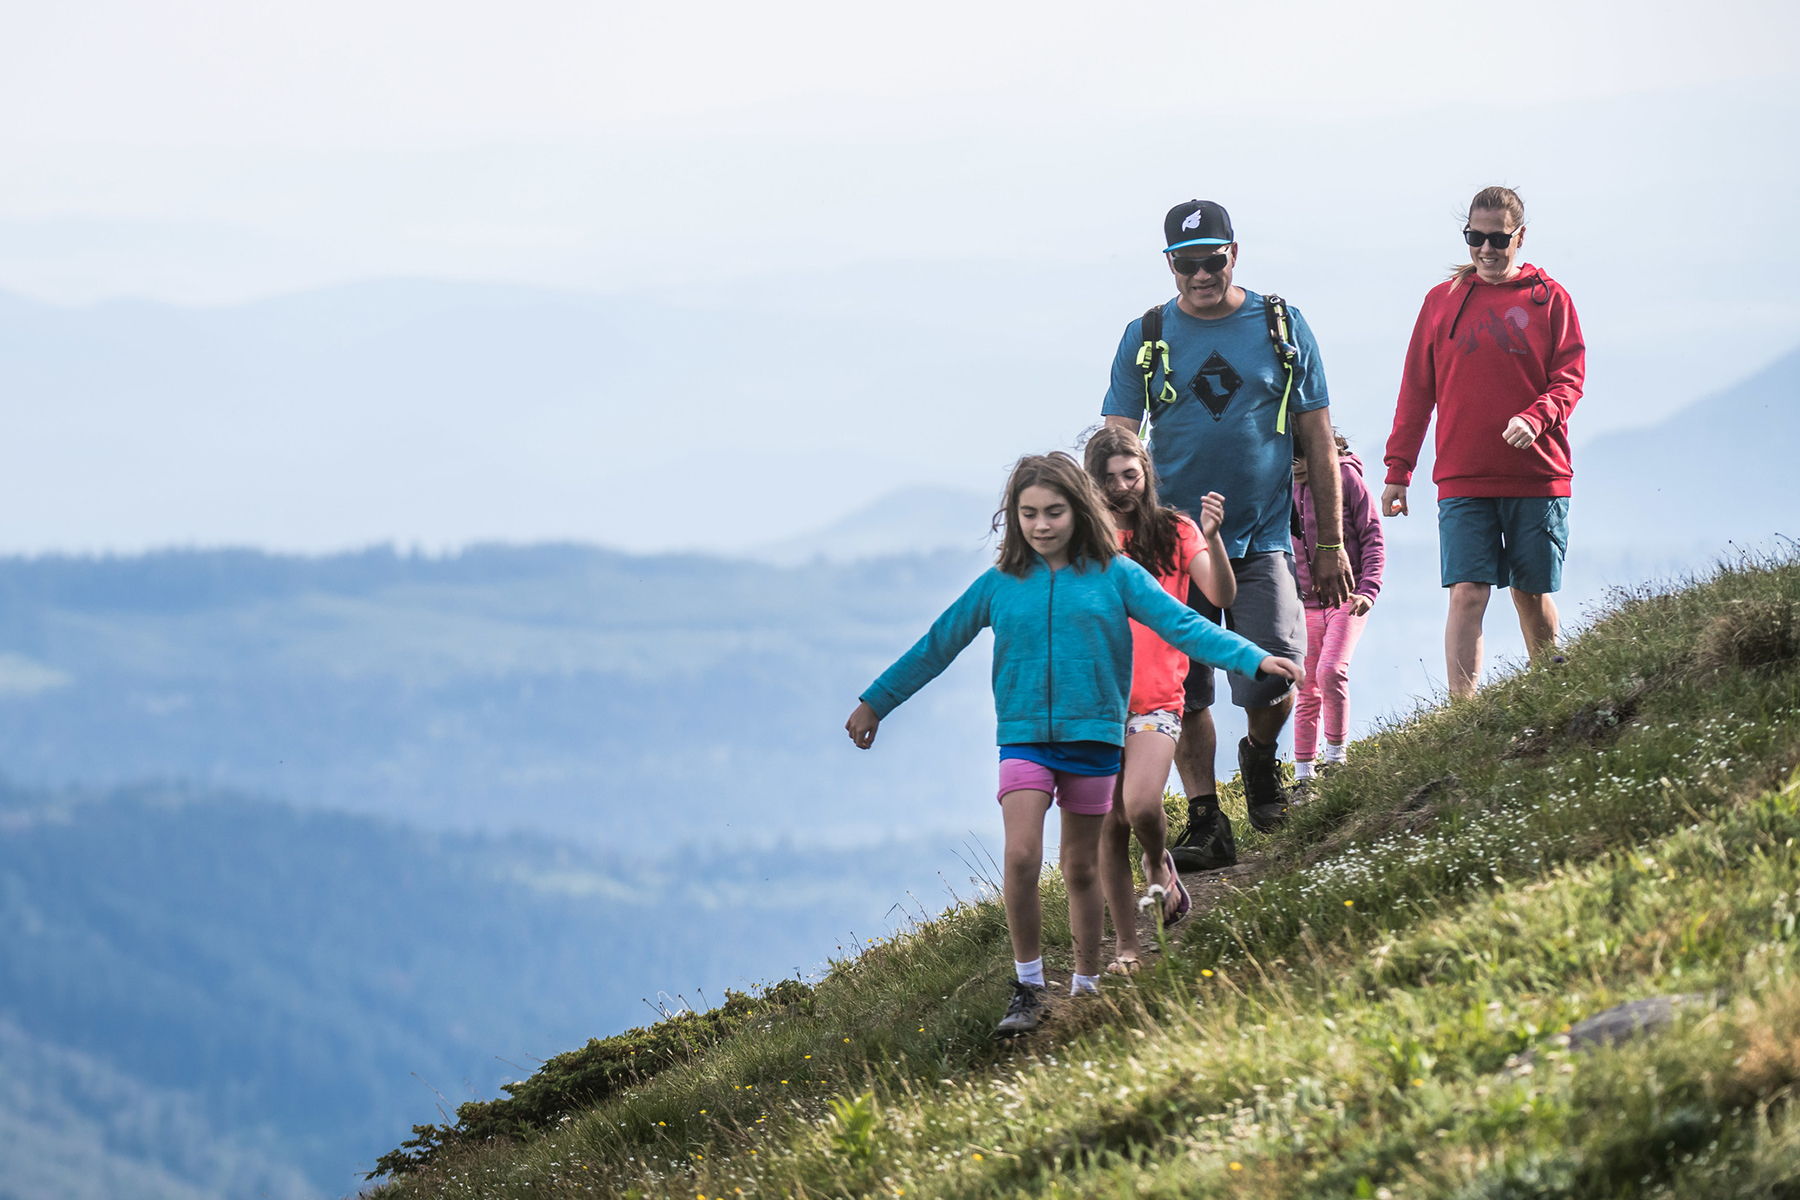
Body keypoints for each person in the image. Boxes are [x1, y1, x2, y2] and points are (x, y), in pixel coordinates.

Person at [844, 452, 1298, 1036]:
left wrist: (1255, 658)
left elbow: (1184, 626)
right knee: (1021, 856)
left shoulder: (1117, 575)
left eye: (1054, 511)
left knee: (1081, 867)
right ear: (1013, 517)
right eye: (1028, 513)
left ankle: (1086, 982)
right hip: (1025, 741)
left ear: (1078, 510)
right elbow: (937, 645)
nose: (1041, 525)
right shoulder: (999, 586)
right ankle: (1028, 985)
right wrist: (876, 701)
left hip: (1095, 742)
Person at [1101, 199, 1353, 852]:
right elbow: (1115, 442)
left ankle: (1259, 754)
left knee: (1276, 672)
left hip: (1260, 535)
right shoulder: (1147, 336)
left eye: (1212, 260)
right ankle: (1208, 818)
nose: (1201, 274)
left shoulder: (1280, 324)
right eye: (1187, 263)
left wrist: (1328, 541)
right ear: (1170, 265)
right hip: (1164, 547)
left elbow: (1317, 437)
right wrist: (1105, 534)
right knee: (1179, 690)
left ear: (1233, 254)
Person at [1381, 186, 1586, 698]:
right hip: (1462, 476)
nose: (1487, 250)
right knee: (1467, 594)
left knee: (1529, 593)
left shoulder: (1550, 299)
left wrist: (1537, 418)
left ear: (1521, 237)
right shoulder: (1441, 302)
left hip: (1537, 475)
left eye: (1498, 238)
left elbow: (1569, 379)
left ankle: (1551, 692)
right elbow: (1416, 391)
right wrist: (1397, 472)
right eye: (1476, 237)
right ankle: (1462, 718)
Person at [1082, 426, 1237, 974]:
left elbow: (1219, 594)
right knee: (1108, 825)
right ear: (1092, 484)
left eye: (1131, 474)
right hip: (1096, 705)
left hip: (1156, 699)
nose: (1123, 486)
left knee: (1141, 806)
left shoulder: (1175, 530)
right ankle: (1127, 948)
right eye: (1109, 478)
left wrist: (1214, 538)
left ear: (1146, 474)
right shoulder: (1085, 544)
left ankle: (1157, 862)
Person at [1291, 431, 1385, 780]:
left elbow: (1372, 535)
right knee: (1306, 686)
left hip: (1348, 596)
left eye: (1302, 456)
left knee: (1330, 671)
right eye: (1289, 457)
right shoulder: (1282, 486)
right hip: (1304, 604)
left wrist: (1368, 590)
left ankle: (1335, 760)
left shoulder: (1346, 478)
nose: (1295, 465)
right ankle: (1303, 775)